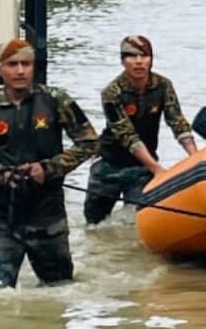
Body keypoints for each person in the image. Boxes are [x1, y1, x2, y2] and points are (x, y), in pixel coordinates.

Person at [0, 40, 98, 288]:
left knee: (59, 291)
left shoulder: (56, 100)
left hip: (48, 215)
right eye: (13, 64)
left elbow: (89, 143)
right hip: (4, 216)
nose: (20, 71)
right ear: (0, 69)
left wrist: (48, 169)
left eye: (26, 64)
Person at [84, 36, 198, 225]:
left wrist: (195, 158)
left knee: (136, 223)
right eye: (132, 56)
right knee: (94, 225)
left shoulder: (163, 86)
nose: (138, 62)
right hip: (110, 165)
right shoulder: (111, 93)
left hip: (142, 168)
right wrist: (157, 169)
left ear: (151, 59)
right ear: (122, 61)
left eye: (144, 56)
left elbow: (177, 122)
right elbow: (127, 135)